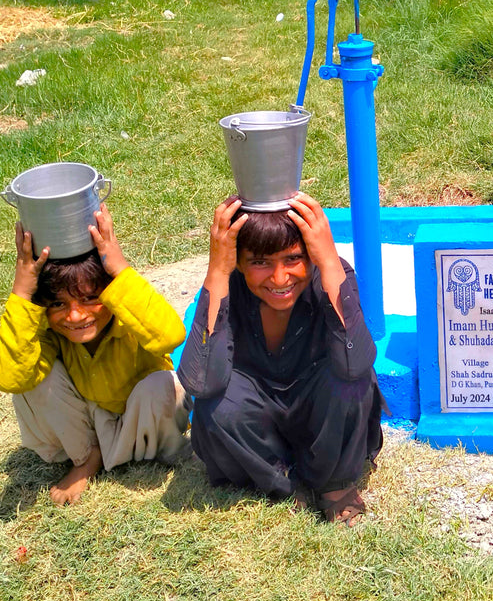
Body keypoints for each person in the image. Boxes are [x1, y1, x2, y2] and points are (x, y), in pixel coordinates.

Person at [177, 193, 385, 526]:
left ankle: (333, 484)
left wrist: (330, 260)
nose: (279, 278)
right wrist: (217, 270)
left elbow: (356, 363)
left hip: (319, 413)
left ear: (312, 256)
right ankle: (285, 485)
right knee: (214, 408)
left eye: (293, 259)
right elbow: (201, 381)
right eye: (260, 262)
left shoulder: (330, 275)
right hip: (258, 424)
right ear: (238, 261)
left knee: (352, 383)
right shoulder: (228, 285)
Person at [0, 206, 189, 505]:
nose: (75, 316)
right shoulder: (51, 334)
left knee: (165, 386)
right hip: (89, 421)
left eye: (90, 298)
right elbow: (12, 377)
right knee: (32, 377)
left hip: (143, 426)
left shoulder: (127, 311)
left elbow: (172, 336)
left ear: (110, 291)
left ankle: (127, 454)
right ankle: (88, 457)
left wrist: (120, 269)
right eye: (59, 305)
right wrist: (22, 293)